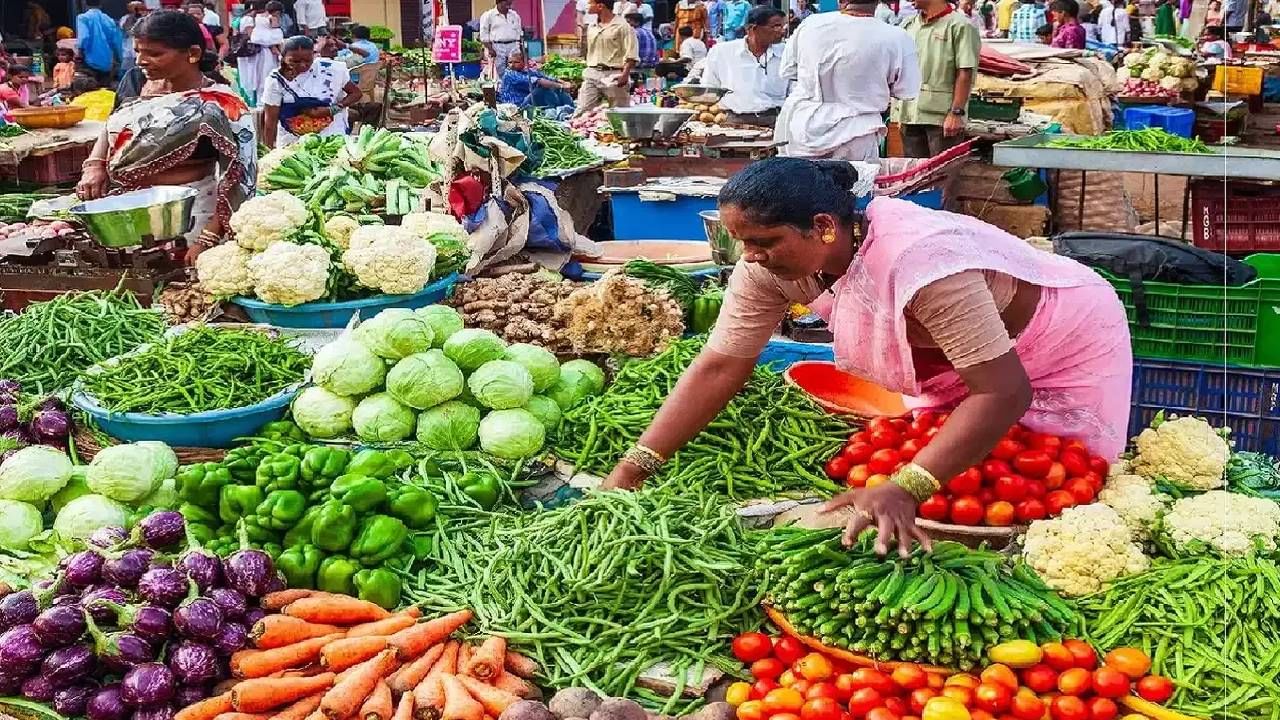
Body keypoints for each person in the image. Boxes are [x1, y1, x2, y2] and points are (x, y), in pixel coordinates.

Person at [600, 159, 1134, 556]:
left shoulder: (921, 262)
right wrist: (633, 468)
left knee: (1060, 483)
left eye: (764, 241)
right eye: (741, 241)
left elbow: (1002, 391)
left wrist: (908, 485)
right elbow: (721, 363)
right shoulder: (766, 268)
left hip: (1060, 338)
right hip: (957, 359)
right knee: (966, 466)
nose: (750, 256)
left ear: (824, 226)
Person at [76, 10, 256, 265]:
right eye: (138, 51)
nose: (141, 61)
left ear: (193, 53)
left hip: (188, 216)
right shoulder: (135, 80)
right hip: (123, 211)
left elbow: (241, 177)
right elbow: (113, 121)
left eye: (154, 53)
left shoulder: (222, 104)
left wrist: (207, 238)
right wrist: (95, 165)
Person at [776, 0, 920, 161]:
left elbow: (788, 70)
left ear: (841, 1)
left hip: (801, 129)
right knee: (853, 178)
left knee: (798, 177)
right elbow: (906, 91)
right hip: (857, 134)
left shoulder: (810, 24)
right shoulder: (897, 37)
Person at [894, 0, 978, 158]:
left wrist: (956, 113)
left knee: (942, 170)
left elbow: (965, 72)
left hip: (941, 117)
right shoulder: (909, 25)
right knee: (915, 170)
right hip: (910, 114)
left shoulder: (960, 26)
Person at [261, 35, 361, 148]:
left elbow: (356, 93)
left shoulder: (331, 70)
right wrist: (268, 150)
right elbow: (270, 121)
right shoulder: (276, 80)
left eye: (308, 60)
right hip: (292, 142)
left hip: (331, 138)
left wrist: (332, 109)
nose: (303, 65)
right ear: (283, 58)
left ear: (313, 55)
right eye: (295, 61)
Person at [700, 6, 788, 127]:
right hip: (734, 120)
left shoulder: (786, 53)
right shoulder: (722, 52)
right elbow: (709, 88)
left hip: (777, 120)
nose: (782, 31)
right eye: (776, 26)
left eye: (783, 26)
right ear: (752, 28)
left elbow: (795, 90)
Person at [574, 0, 638, 114]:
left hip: (614, 74)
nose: (587, 6)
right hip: (592, 72)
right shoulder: (592, 26)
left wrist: (625, 74)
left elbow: (631, 54)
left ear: (600, 6)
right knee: (582, 111)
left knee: (619, 113)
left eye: (590, 3)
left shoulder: (623, 26)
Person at [497, 50, 573, 107]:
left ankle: (568, 107)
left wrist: (563, 82)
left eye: (516, 62)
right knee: (543, 88)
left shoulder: (526, 71)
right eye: (510, 62)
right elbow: (539, 81)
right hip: (516, 106)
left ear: (524, 62)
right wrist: (561, 86)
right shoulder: (509, 74)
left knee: (554, 87)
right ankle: (556, 107)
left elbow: (546, 77)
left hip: (526, 101)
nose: (512, 65)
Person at [245, 1, 286, 101]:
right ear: (277, 12)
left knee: (258, 77)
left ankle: (259, 99)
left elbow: (255, 36)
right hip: (267, 53)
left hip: (258, 52)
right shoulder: (272, 18)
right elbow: (277, 36)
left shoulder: (256, 17)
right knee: (267, 76)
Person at [77, 0, 124, 86]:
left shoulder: (83, 18)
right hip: (106, 61)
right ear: (101, 5)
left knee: (88, 87)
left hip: (88, 59)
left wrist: (80, 52)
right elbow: (116, 42)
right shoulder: (109, 20)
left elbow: (84, 37)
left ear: (85, 4)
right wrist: (118, 58)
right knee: (104, 87)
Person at [479, 0, 523, 77]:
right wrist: (490, 49)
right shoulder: (488, 15)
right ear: (498, 2)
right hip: (497, 46)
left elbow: (519, 33)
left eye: (510, 1)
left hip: (513, 45)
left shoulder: (514, 15)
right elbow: (484, 35)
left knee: (515, 70)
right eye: (506, 1)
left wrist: (520, 49)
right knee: (499, 71)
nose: (509, 3)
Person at [119, 2, 147, 71]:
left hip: (141, 49)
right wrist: (132, 16)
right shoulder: (126, 18)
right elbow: (125, 28)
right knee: (127, 70)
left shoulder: (145, 18)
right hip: (128, 50)